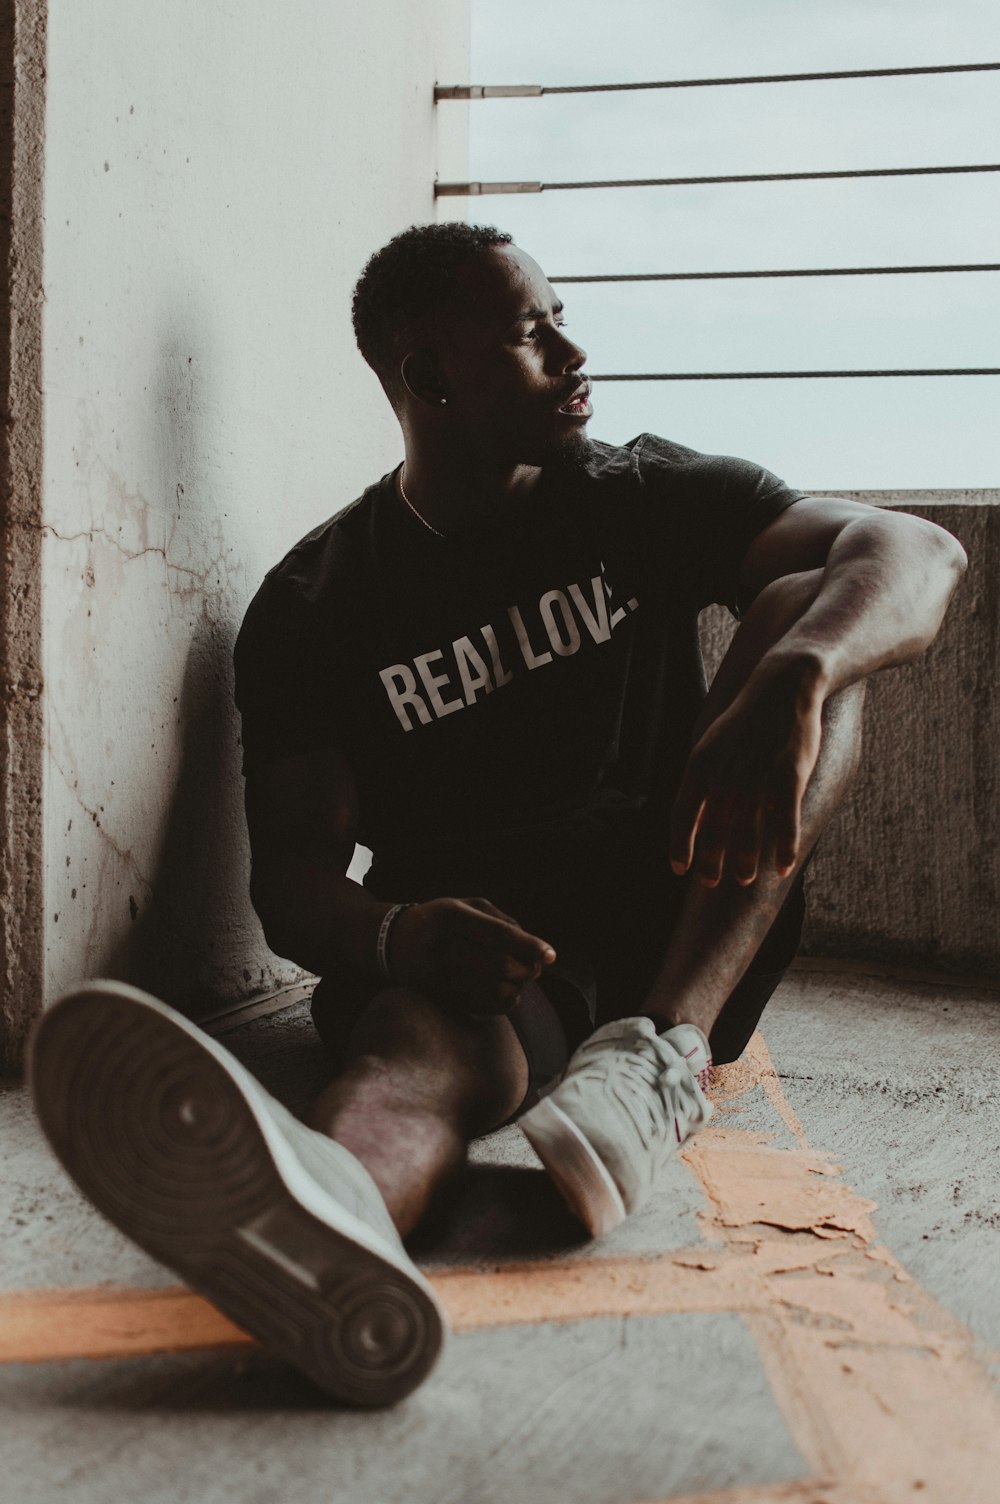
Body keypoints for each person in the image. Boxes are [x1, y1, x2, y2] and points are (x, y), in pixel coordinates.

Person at [31, 223, 967, 1409]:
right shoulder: (317, 603)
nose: (575, 353)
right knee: (405, 1062)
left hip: (686, 897)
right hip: (491, 950)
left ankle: (656, 1055)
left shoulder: (638, 492)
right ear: (428, 378)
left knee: (807, 603)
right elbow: (293, 878)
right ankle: (332, 1240)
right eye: (533, 334)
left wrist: (800, 672)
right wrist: (396, 936)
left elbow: (912, 549)